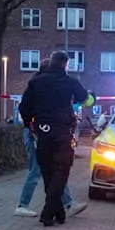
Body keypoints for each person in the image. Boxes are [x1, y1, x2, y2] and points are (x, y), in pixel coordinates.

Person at [18, 51, 93, 226]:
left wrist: (29, 124)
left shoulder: (36, 82)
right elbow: (85, 100)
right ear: (66, 64)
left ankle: (59, 213)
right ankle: (47, 213)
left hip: (42, 133)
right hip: (63, 133)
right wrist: (92, 98)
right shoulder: (70, 82)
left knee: (48, 173)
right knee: (61, 172)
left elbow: (23, 106)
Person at [14, 58, 75, 217]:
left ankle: (68, 203)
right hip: (37, 133)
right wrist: (31, 125)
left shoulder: (37, 84)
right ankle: (23, 204)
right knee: (37, 169)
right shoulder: (41, 86)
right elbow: (26, 108)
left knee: (55, 169)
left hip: (38, 131)